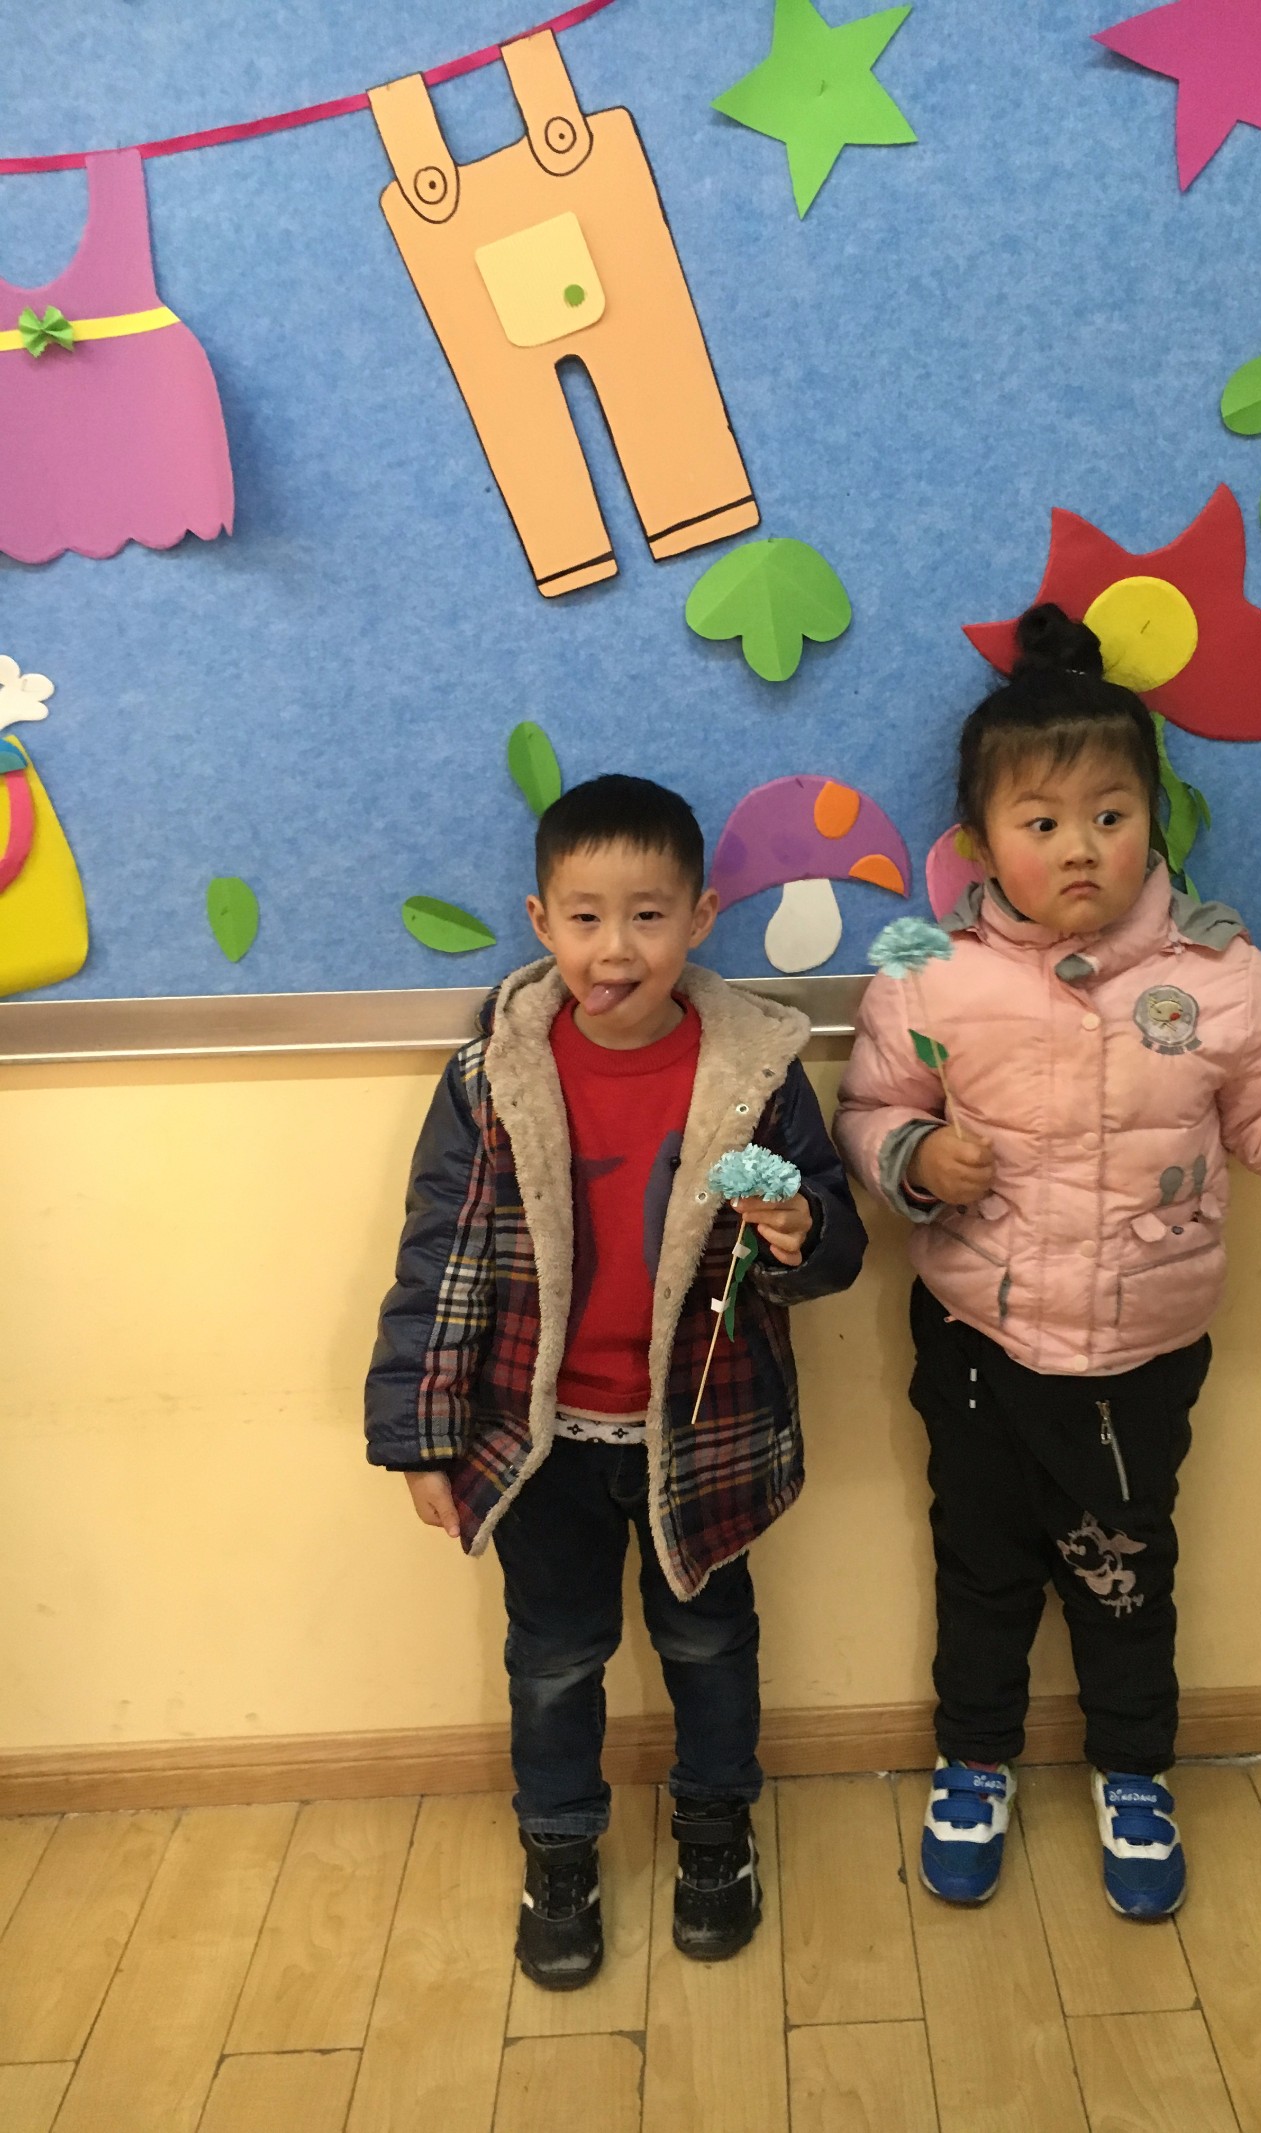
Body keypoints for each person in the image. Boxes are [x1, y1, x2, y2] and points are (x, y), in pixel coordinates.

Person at [835, 605, 1261, 1919]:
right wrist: (915, 1157)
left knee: (1125, 1575)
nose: (1079, 847)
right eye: (1042, 821)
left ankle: (1133, 1772)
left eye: (1110, 815)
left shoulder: (1217, 973)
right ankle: (973, 1759)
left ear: (1153, 822)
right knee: (981, 1570)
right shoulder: (926, 973)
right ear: (979, 840)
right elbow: (869, 1109)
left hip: (1142, 1355)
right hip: (979, 1346)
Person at [366, 775, 866, 1987]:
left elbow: (833, 1240)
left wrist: (801, 1233)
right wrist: (420, 1435)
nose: (616, 949)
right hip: (537, 1442)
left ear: (700, 918)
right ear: (541, 922)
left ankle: (715, 1834)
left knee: (711, 1642)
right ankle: (560, 1852)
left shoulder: (755, 1071)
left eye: (648, 916)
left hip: (702, 1433)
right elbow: (439, 1257)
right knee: (552, 1658)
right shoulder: (492, 1080)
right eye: (586, 918)